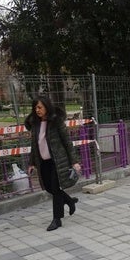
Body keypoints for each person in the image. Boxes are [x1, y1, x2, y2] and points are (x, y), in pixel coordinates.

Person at [25, 95, 82, 231]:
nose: (37, 110)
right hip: (43, 162)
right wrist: (32, 163)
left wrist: (74, 161)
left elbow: (67, 142)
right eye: (35, 108)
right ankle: (68, 201)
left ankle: (57, 219)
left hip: (58, 161)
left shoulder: (56, 122)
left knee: (56, 189)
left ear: (46, 106)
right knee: (49, 188)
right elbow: (34, 145)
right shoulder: (35, 124)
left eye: (40, 107)